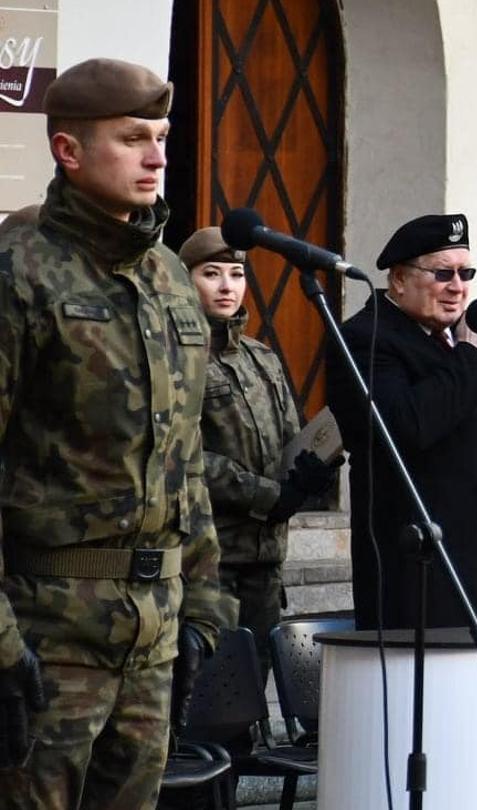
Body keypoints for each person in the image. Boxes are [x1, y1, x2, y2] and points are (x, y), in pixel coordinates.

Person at [0, 58, 234, 807]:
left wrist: (201, 607)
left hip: (153, 637)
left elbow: (185, 458)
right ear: (69, 150)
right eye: (134, 138)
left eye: (162, 137)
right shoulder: (18, 270)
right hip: (47, 632)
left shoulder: (170, 278)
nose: (159, 157)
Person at [327, 213, 477, 630]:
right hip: (424, 584)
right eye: (442, 273)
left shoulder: (472, 336)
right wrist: (470, 359)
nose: (458, 287)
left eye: (466, 273)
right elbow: (406, 427)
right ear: (399, 280)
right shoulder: (367, 339)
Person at [173, 227, 330, 808]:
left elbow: (291, 435)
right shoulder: (179, 353)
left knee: (244, 716)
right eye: (211, 273)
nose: (226, 286)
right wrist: (266, 493)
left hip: (265, 560)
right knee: (201, 713)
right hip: (210, 561)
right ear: (186, 280)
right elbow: (186, 452)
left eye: (236, 274)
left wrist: (309, 470)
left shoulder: (262, 356)